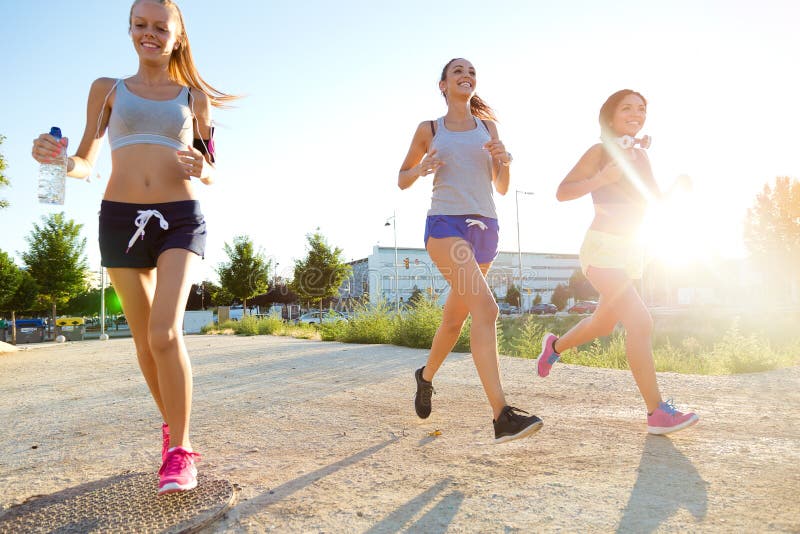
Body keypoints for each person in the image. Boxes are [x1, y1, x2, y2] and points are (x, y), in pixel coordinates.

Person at [31, 0, 236, 493]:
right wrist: (59, 161)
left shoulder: (194, 98)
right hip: (120, 219)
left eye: (160, 27)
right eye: (140, 25)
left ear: (177, 36)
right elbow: (85, 161)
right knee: (145, 341)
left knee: (165, 333)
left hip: (180, 220)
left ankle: (182, 450)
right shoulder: (107, 91)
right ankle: (174, 431)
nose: (150, 33)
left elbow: (213, 169)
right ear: (129, 31)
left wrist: (199, 166)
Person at [536, 89, 698, 435]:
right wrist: (602, 179)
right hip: (602, 250)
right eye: (628, 108)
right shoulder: (600, 152)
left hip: (631, 252)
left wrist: (677, 189)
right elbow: (563, 191)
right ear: (610, 116)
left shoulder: (640, 157)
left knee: (603, 324)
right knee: (640, 322)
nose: (636, 113)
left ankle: (555, 346)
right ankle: (657, 413)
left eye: (641, 109)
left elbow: (655, 201)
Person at [398, 58, 543, 443]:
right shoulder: (429, 129)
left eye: (472, 72)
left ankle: (425, 377)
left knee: (453, 320)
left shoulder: (488, 128)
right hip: (446, 226)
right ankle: (502, 415)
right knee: (487, 309)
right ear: (443, 85)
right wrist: (422, 168)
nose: (466, 76)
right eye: (458, 72)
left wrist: (504, 160)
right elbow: (402, 178)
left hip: (486, 230)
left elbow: (502, 186)